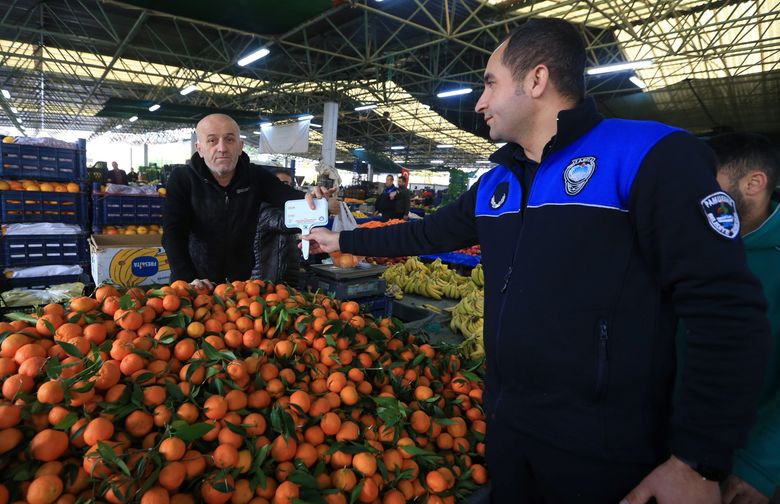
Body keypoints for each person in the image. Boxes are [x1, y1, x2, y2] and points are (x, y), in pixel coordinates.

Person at [304, 18, 770, 504]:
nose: (479, 102)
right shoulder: (498, 181)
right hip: (509, 427)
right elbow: (427, 232)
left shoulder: (650, 156)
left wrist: (697, 462)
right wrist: (341, 241)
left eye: (489, 83)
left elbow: (725, 311)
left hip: (603, 449)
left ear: (536, 80)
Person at [163, 114, 332, 288]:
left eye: (229, 139)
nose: (222, 148)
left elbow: (288, 197)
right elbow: (173, 233)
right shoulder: (182, 179)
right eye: (212, 140)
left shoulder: (255, 176)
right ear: (199, 148)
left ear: (240, 146)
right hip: (194, 283)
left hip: (238, 285)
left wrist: (317, 201)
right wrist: (187, 278)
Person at [705, 133, 779, 504]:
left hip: (747, 462)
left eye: (707, 179)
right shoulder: (693, 243)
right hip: (676, 447)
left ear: (753, 184)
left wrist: (761, 466)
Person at [252, 169, 302, 285]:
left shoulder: (282, 208)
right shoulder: (262, 208)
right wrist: (323, 209)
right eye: (282, 184)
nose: (287, 189)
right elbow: (284, 222)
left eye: (290, 185)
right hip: (265, 279)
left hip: (284, 276)